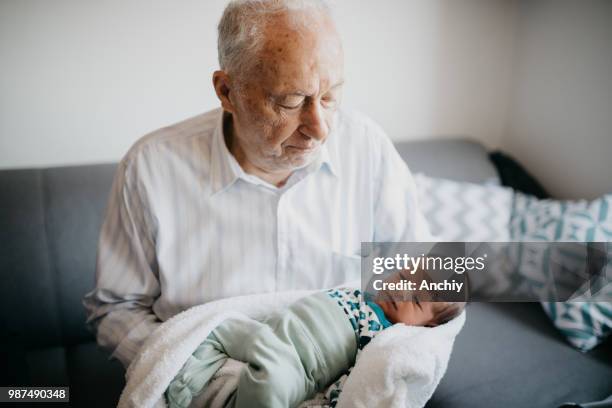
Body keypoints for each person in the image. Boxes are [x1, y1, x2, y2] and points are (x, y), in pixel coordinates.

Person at [83, 0, 433, 372]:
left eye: (330, 97)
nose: (320, 128)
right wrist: (206, 381)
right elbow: (117, 309)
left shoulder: (367, 147)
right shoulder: (151, 168)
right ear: (227, 91)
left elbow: (434, 275)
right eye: (291, 101)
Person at [164, 286, 464, 408]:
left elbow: (359, 380)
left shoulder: (383, 337)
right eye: (403, 278)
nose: (401, 290)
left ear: (429, 326)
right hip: (269, 330)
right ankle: (187, 379)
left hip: (292, 362)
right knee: (219, 326)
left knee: (271, 384)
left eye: (415, 299)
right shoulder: (360, 291)